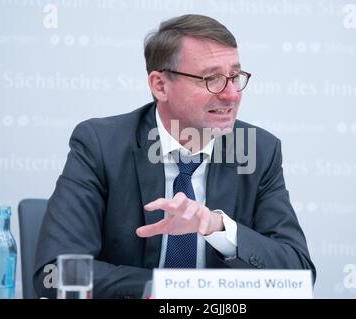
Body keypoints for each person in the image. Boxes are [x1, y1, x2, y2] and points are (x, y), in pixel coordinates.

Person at [33, 14, 316, 299]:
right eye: (212, 79)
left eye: (234, 77)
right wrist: (173, 290)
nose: (231, 95)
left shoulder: (258, 150)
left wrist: (219, 227)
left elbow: (299, 275)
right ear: (160, 85)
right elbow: (52, 274)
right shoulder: (101, 145)